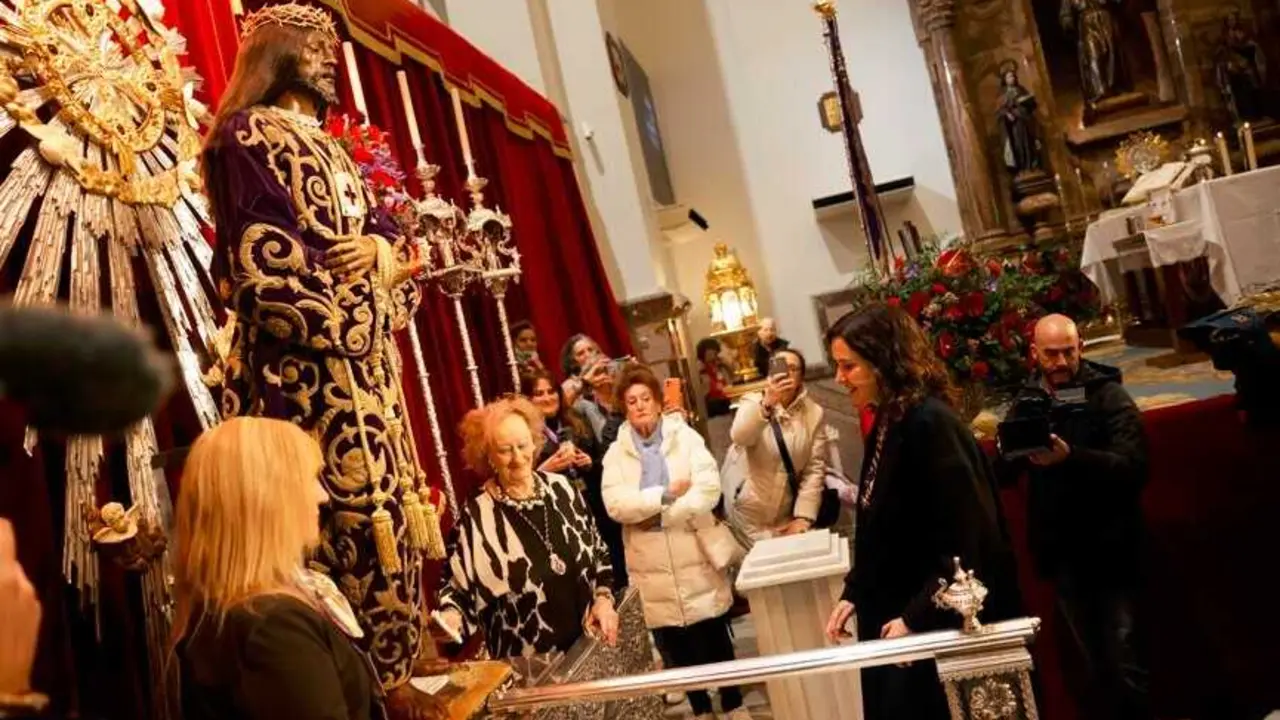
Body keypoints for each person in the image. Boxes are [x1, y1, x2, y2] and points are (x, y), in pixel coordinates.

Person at [200, 5, 436, 708]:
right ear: (276, 54)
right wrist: (365, 303)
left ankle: (390, 683)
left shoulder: (337, 150)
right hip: (301, 389)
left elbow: (390, 239)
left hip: (372, 391)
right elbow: (264, 269)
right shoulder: (245, 137)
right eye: (313, 47)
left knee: (390, 527)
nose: (330, 59)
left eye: (332, 47)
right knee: (327, 537)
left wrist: (383, 255)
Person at [822, 303, 1020, 720]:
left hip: (929, 622)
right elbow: (882, 522)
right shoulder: (888, 420)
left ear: (883, 363)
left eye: (849, 366)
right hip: (893, 616)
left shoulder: (931, 424)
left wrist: (916, 617)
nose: (839, 378)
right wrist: (855, 590)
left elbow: (967, 537)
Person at [173, 417, 389, 720]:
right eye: (310, 479)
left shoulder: (233, 610)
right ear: (265, 498)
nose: (323, 496)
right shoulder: (272, 625)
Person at [1000, 313, 1150, 719]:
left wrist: (1072, 458)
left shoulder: (1107, 395)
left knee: (1123, 659)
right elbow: (1006, 470)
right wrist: (1008, 448)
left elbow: (1134, 466)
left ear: (1080, 346)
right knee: (1090, 663)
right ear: (1034, 353)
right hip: (1062, 551)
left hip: (1111, 548)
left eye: (1069, 350)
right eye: (1051, 354)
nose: (1062, 361)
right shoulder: (1029, 399)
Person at [602, 366, 752, 720]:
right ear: (624, 408)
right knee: (675, 643)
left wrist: (660, 516)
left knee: (713, 632)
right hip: (649, 563)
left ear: (657, 402)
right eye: (631, 401)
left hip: (693, 550)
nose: (640, 406)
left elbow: (708, 488)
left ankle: (733, 703)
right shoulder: (615, 454)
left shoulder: (683, 437)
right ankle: (701, 709)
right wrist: (664, 494)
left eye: (645, 399)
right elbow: (616, 505)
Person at [435, 397, 619, 659]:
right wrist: (450, 618)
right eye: (504, 450)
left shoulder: (563, 489)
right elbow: (457, 590)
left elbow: (600, 554)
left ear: (535, 442)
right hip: (528, 672)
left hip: (591, 652)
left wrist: (603, 598)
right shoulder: (475, 515)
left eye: (522, 445)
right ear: (488, 455)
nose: (518, 458)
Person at [521, 370, 628, 589]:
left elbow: (603, 464)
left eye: (551, 391)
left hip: (596, 511)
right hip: (559, 520)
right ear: (528, 400)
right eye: (538, 393)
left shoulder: (576, 422)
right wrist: (544, 470)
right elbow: (519, 482)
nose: (547, 397)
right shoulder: (524, 436)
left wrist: (589, 463)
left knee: (615, 575)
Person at [728, 348, 831, 540]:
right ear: (770, 372)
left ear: (801, 376)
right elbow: (740, 437)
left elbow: (814, 469)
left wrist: (803, 517)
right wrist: (767, 405)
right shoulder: (753, 401)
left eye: (793, 368)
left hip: (786, 515)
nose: (786, 374)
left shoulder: (814, 413)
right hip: (747, 512)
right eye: (780, 367)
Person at [696, 337, 734, 418]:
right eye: (709, 353)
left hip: (726, 397)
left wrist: (725, 363)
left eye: (714, 352)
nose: (713, 355)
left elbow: (731, 376)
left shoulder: (721, 365)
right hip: (711, 403)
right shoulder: (699, 369)